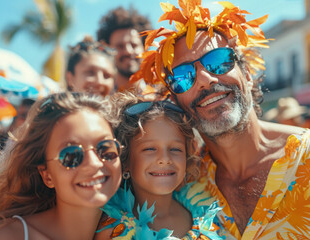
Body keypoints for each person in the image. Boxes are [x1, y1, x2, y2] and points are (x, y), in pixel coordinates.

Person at [130, 0, 310, 239]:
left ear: (246, 73)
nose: (205, 79)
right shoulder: (179, 183)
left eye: (218, 61)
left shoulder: (305, 157)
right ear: (174, 100)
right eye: (183, 77)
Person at [95, 91, 228, 239]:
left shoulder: (207, 212)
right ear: (125, 161)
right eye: (150, 149)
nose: (165, 159)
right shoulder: (110, 229)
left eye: (175, 149)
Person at [0, 92, 122, 240]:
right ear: (47, 175)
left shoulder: (136, 230)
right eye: (71, 156)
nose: (94, 163)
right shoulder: (6, 236)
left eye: (105, 149)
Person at [97, 7, 152, 92]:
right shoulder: (101, 100)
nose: (128, 51)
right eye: (120, 46)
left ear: (145, 48)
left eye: (134, 45)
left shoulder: (164, 97)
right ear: (107, 52)